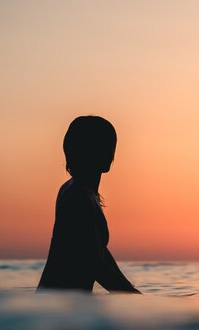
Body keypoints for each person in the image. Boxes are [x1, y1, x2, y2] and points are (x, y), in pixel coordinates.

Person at [37, 116, 141, 293]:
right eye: (103, 147)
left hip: (60, 304)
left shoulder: (80, 192)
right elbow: (93, 263)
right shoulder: (77, 198)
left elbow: (98, 251)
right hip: (59, 307)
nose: (110, 153)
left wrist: (133, 295)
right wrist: (134, 298)